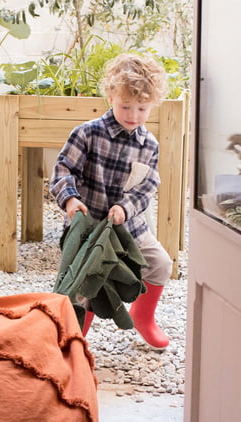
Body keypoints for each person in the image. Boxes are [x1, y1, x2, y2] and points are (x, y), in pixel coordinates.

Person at [50, 53, 172, 348]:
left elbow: (147, 187)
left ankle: (143, 317)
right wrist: (70, 200)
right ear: (110, 96)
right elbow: (64, 169)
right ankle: (74, 338)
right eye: (125, 106)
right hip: (91, 228)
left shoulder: (150, 145)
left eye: (142, 108)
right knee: (83, 283)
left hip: (130, 229)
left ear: (152, 105)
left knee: (160, 264)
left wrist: (125, 208)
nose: (133, 115)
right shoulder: (88, 134)